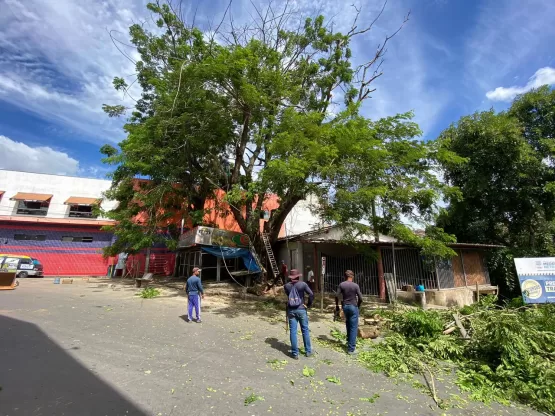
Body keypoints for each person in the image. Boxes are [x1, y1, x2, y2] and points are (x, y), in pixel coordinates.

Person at [284, 269, 314, 359]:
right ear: (298, 276)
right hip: (301, 309)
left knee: (293, 331)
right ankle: (308, 351)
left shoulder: (286, 286)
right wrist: (308, 305)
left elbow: (288, 295)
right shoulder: (303, 284)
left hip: (291, 310)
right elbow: (311, 294)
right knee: (305, 330)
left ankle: (295, 353)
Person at [335, 270, 363, 355]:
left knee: (348, 323)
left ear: (345, 276)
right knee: (353, 327)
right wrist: (358, 305)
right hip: (353, 306)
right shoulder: (355, 285)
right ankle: (351, 349)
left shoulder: (342, 284)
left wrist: (337, 305)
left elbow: (336, 295)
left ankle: (348, 341)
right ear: (352, 276)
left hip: (345, 307)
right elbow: (361, 298)